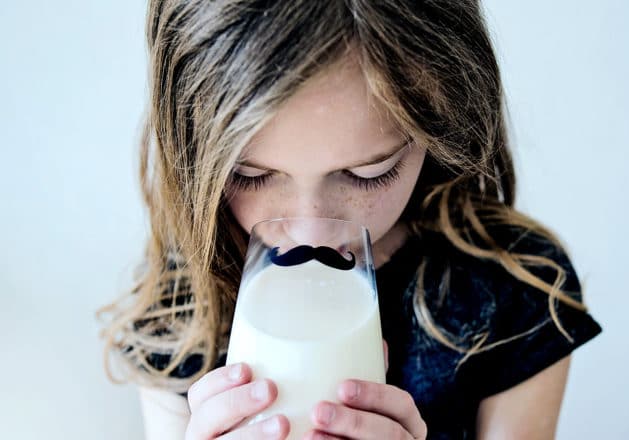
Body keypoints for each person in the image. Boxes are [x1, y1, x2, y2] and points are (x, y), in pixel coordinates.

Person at [98, 1, 603, 439]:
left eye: (368, 173)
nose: (311, 234)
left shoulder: (513, 296)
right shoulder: (180, 319)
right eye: (249, 174)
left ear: (445, 123)